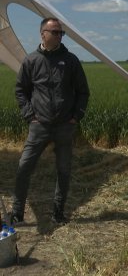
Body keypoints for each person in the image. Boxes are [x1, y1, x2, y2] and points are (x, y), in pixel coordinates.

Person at [11, 17, 90, 225]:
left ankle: (58, 212)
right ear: (42, 34)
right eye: (54, 32)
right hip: (39, 126)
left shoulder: (71, 60)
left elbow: (83, 91)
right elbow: (21, 91)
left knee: (64, 170)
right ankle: (17, 212)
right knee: (24, 167)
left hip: (65, 126)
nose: (59, 36)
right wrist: (30, 116)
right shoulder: (31, 61)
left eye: (60, 32)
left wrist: (76, 116)